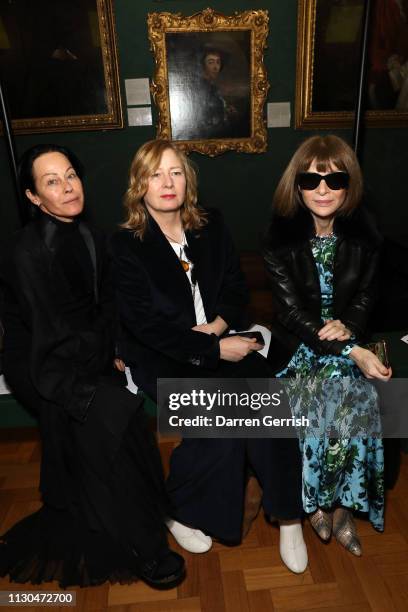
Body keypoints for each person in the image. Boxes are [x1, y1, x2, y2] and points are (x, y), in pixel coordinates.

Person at [111, 139, 307, 573]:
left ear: (188, 180)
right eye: (155, 173)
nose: (167, 182)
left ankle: (288, 516)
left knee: (271, 402)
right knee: (224, 424)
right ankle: (176, 510)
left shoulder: (210, 224)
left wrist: (219, 328)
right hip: (163, 356)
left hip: (224, 339)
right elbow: (145, 325)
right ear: (139, 184)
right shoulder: (125, 244)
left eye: (176, 172)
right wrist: (212, 346)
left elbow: (237, 291)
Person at [0, 144, 185, 589]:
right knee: (111, 425)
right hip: (43, 368)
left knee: (123, 426)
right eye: (51, 182)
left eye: (70, 175)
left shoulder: (90, 234)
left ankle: (146, 519)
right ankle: (143, 548)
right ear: (32, 198)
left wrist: (115, 348)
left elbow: (106, 305)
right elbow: (50, 332)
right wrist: (95, 377)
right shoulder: (25, 252)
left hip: (83, 355)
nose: (67, 187)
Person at [263, 135, 392, 556]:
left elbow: (367, 297)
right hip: (299, 346)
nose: (323, 190)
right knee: (336, 384)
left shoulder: (366, 236)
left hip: (346, 338)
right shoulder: (278, 239)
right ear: (296, 185)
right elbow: (290, 313)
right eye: (311, 179)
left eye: (335, 180)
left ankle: (334, 507)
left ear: (349, 185)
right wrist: (353, 350)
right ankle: (325, 504)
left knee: (353, 391)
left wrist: (349, 332)